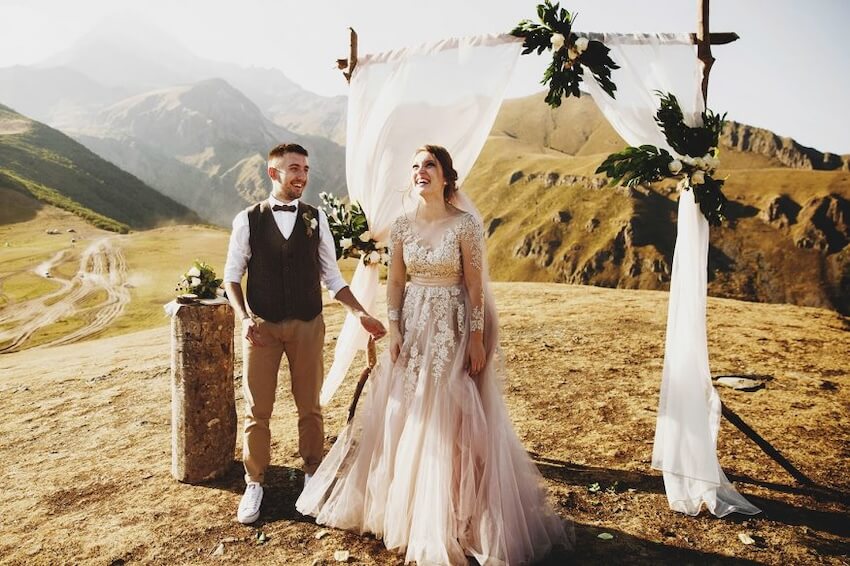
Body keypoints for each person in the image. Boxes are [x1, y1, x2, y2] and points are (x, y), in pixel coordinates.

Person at [297, 145, 572, 565]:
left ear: (446, 177)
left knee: (450, 412)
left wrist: (477, 338)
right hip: (412, 322)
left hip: (453, 324)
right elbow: (395, 283)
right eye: (415, 166)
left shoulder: (465, 226)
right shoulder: (402, 226)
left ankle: (453, 513)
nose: (420, 171)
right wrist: (393, 329)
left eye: (429, 165)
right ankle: (405, 511)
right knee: (409, 410)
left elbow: (476, 287)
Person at [223, 142, 386, 525]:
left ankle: (313, 474)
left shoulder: (316, 218)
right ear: (273, 173)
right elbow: (232, 276)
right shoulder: (248, 219)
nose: (302, 176)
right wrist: (244, 317)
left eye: (306, 169)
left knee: (309, 406)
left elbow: (331, 276)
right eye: (294, 168)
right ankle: (255, 482)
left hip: (308, 324)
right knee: (257, 408)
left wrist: (360, 313)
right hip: (260, 327)